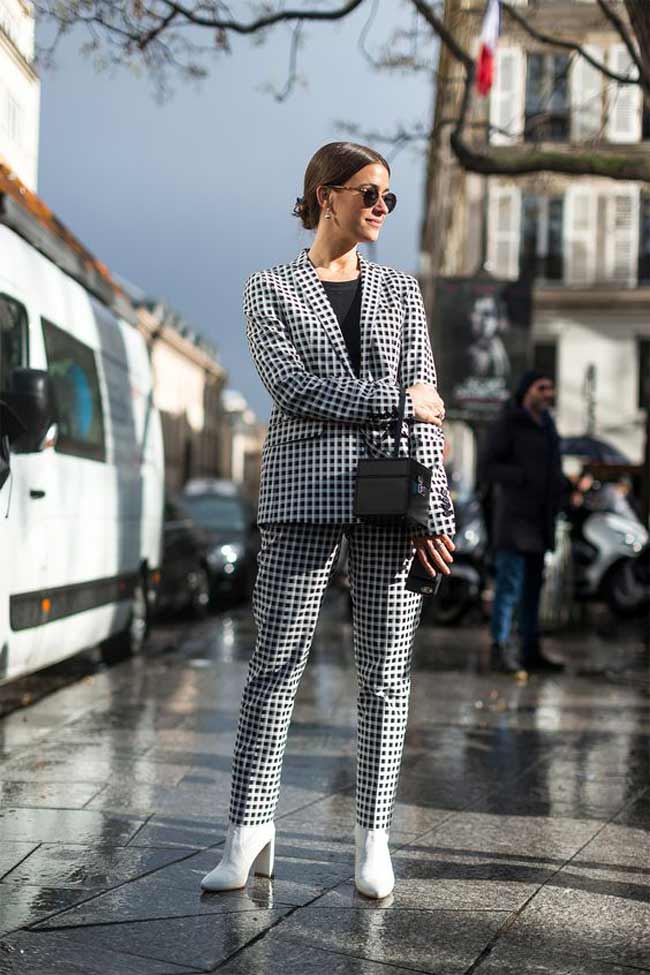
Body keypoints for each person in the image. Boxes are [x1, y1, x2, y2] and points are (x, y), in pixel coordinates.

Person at [200, 141, 456, 900]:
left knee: (384, 676)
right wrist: (394, 400)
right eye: (370, 193)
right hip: (300, 494)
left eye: (390, 197)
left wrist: (434, 512)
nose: (382, 207)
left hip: (391, 496)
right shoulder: (269, 287)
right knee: (276, 663)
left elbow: (430, 410)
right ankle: (249, 828)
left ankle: (372, 837)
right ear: (324, 194)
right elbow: (292, 387)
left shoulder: (402, 292)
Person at [482, 369, 565, 674]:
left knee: (533, 591)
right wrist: (522, 478)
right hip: (514, 521)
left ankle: (531, 650)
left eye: (550, 388)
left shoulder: (548, 425)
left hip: (540, 521)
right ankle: (499, 649)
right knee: (508, 587)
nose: (548, 393)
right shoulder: (508, 422)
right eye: (542, 387)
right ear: (527, 389)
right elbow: (488, 466)